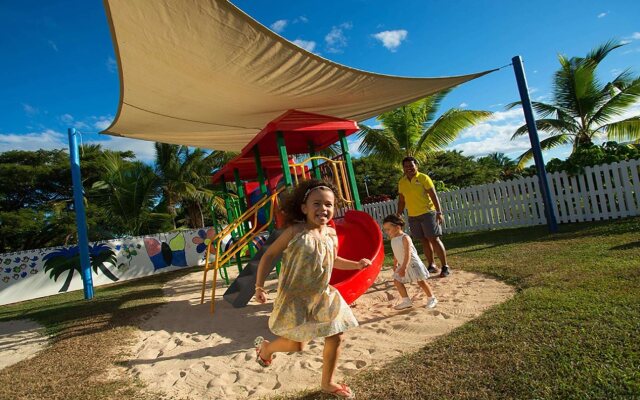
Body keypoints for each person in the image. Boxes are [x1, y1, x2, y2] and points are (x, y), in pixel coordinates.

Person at [253, 179, 371, 399]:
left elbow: (332, 259)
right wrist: (259, 285)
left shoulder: (331, 234)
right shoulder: (295, 231)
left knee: (336, 335)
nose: (323, 209)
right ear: (304, 208)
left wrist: (355, 264)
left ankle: (328, 383)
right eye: (316, 203)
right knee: (298, 346)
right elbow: (269, 255)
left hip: (322, 294)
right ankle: (267, 349)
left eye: (328, 204)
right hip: (294, 298)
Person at [396, 156, 451, 277]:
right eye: (406, 166)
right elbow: (401, 200)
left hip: (428, 213)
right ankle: (432, 265)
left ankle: (445, 266)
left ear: (416, 165)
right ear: (403, 168)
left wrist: (439, 212)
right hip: (413, 216)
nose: (409, 168)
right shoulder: (402, 182)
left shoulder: (423, 178)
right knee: (423, 240)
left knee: (434, 239)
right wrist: (398, 214)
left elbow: (433, 195)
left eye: (411, 165)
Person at [383, 214, 437, 310]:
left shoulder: (405, 238)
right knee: (397, 281)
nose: (386, 232)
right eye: (385, 230)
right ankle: (406, 301)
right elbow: (395, 252)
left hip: (412, 264)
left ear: (397, 227)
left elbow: (408, 254)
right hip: (402, 264)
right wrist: (395, 263)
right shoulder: (393, 238)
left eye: (388, 229)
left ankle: (432, 298)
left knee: (421, 282)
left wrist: (404, 267)